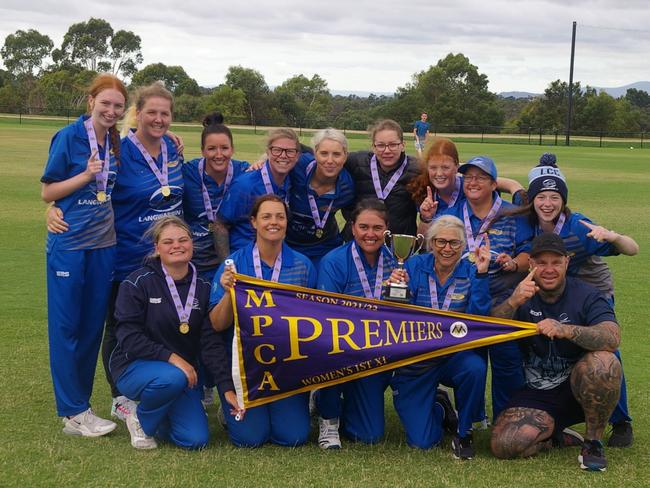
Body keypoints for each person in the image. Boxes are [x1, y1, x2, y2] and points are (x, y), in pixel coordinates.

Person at [511, 152, 639, 447]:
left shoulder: (579, 227)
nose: (547, 203)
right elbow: (510, 185)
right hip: (552, 283)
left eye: (554, 197)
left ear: (564, 200)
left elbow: (632, 249)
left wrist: (612, 235)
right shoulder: (524, 210)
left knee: (604, 348)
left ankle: (620, 421)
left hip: (590, 287)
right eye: (541, 196)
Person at [491, 233, 622, 472]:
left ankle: (593, 442)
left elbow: (612, 337)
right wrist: (512, 302)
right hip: (537, 390)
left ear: (567, 263)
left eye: (556, 262)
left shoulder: (587, 295)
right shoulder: (520, 293)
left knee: (605, 362)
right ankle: (556, 435)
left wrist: (566, 330)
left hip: (579, 388)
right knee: (504, 445)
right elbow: (491, 329)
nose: (548, 269)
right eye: (541, 263)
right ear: (530, 264)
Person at [41, 73, 127, 436]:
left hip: (103, 245)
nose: (110, 110)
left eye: (118, 105)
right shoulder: (69, 136)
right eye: (105, 103)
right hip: (70, 244)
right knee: (67, 328)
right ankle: (73, 412)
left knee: (92, 327)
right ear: (91, 101)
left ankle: (83, 407)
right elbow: (48, 192)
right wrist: (85, 175)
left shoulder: (115, 140)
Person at [110, 216, 236, 450]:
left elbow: (210, 343)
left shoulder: (205, 287)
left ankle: (159, 417)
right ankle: (140, 418)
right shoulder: (137, 282)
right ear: (157, 248)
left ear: (192, 244)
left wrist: (226, 387)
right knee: (172, 377)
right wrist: (173, 359)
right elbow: (128, 337)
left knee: (195, 439)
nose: (176, 246)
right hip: (135, 367)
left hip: (180, 375)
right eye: (168, 242)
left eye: (183, 240)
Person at [209, 195, 317, 447]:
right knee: (250, 438)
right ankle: (228, 411)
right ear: (253, 222)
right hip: (245, 369)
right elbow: (216, 324)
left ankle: (294, 404)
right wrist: (228, 293)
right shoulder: (234, 264)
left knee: (294, 437)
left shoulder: (302, 265)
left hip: (286, 367)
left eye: (280, 216)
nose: (274, 222)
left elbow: (313, 320)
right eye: (266, 216)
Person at [387, 215, 491, 459]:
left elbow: (478, 317)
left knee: (474, 367)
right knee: (423, 442)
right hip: (418, 359)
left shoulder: (472, 272)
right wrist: (393, 289)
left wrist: (484, 274)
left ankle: (463, 432)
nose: (447, 249)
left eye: (454, 243)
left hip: (453, 356)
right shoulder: (412, 265)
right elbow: (399, 314)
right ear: (431, 243)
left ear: (464, 246)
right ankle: (440, 406)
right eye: (441, 242)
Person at [441, 156, 532, 420]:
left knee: (506, 359)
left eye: (480, 177)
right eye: (468, 177)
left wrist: (514, 263)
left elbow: (528, 253)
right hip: (462, 298)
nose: (473, 182)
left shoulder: (513, 214)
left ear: (494, 184)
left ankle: (506, 418)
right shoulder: (452, 213)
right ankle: (472, 416)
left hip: (504, 297)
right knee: (471, 358)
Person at [315, 198, 397, 448]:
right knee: (326, 351)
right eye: (364, 227)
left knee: (368, 435)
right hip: (341, 345)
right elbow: (326, 315)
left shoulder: (396, 261)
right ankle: (327, 416)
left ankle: (351, 401)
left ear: (386, 229)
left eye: (377, 228)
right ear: (352, 227)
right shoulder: (334, 261)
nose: (370, 234)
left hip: (376, 352)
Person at [217, 128, 311, 252]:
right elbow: (220, 224)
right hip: (245, 257)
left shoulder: (292, 178)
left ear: (298, 155)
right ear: (268, 151)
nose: (283, 156)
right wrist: (227, 263)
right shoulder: (246, 185)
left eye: (290, 151)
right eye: (277, 150)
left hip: (275, 255)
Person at [182, 112, 250, 281]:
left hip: (233, 260)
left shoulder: (244, 172)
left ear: (232, 149)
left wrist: (262, 161)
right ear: (202, 151)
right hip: (193, 261)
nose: (219, 155)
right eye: (211, 149)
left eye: (224, 148)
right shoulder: (188, 172)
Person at [409, 138, 525, 234]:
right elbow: (423, 244)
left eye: (445, 167)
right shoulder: (423, 191)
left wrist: (516, 189)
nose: (439, 174)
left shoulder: (470, 187)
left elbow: (494, 182)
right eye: (433, 168)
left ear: (456, 167)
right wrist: (426, 218)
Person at [286, 128, 355, 266]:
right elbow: (275, 163)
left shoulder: (348, 188)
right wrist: (262, 161)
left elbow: (352, 217)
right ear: (315, 153)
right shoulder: (298, 165)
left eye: (336, 154)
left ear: (345, 156)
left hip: (323, 247)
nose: (330, 160)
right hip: (287, 245)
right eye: (324, 153)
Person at [343, 119, 420, 238]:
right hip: (361, 241)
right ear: (373, 147)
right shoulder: (356, 162)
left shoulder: (417, 169)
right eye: (381, 145)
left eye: (393, 145)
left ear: (403, 145)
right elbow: (329, 158)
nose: (387, 150)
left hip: (398, 247)